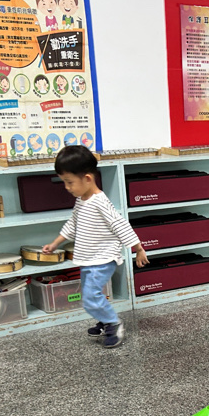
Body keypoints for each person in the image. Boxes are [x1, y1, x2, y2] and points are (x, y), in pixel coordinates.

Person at [42, 146, 148, 348]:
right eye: (64, 182)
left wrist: (138, 248)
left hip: (103, 258)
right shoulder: (81, 201)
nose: (66, 187)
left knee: (91, 297)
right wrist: (55, 243)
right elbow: (72, 224)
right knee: (91, 295)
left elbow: (120, 224)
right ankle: (104, 321)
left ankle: (114, 323)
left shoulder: (100, 202)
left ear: (88, 179)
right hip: (88, 258)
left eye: (69, 182)